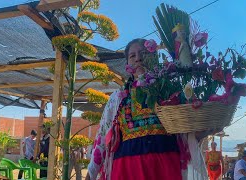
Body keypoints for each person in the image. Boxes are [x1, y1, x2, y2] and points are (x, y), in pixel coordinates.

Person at [86, 38, 208, 180]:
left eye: (144, 53)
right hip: (126, 171)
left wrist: (201, 132)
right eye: (132, 56)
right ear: (127, 64)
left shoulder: (171, 93)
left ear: (154, 58)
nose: (138, 58)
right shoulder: (118, 98)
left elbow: (187, 133)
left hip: (165, 169)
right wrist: (90, 175)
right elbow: (102, 138)